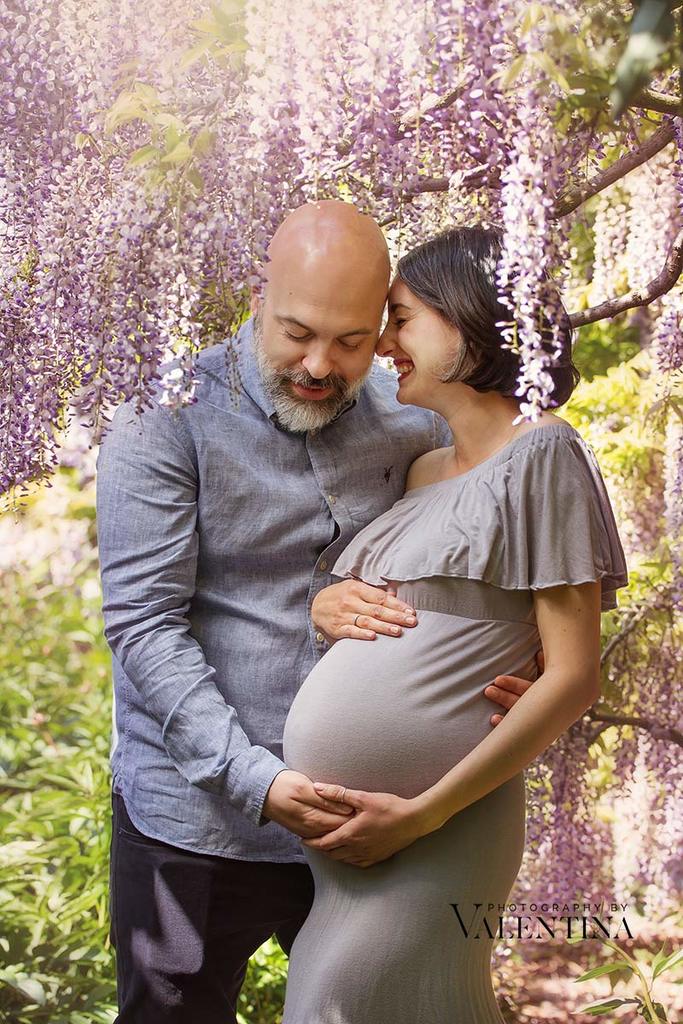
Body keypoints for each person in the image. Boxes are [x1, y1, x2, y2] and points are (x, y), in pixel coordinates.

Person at [95, 201, 536, 1024]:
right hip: (197, 826)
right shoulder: (163, 417)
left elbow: (482, 552)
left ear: (384, 327)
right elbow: (145, 626)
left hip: (377, 823)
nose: (320, 364)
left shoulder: (414, 413)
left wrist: (524, 659)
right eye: (296, 332)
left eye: (352, 340)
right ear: (257, 297)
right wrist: (257, 782)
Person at [279, 225, 629, 1024]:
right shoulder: (422, 471)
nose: (383, 345)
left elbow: (572, 675)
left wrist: (423, 812)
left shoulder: (543, 452)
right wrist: (325, 606)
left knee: (349, 1001)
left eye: (401, 320)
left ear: (469, 320)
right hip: (353, 844)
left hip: (440, 825)